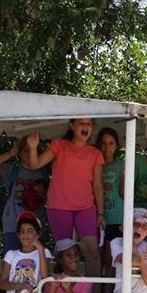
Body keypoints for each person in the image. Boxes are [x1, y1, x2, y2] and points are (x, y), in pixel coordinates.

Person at [25, 119, 104, 279]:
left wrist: (101, 214)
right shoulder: (59, 145)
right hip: (59, 206)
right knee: (64, 252)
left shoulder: (95, 153)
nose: (85, 127)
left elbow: (97, 185)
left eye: (88, 124)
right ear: (72, 126)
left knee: (92, 250)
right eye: (81, 123)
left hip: (85, 207)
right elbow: (35, 164)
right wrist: (33, 148)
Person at [0, 136, 48, 253]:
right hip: (13, 225)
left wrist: (44, 193)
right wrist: (10, 153)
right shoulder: (12, 170)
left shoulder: (43, 174)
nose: (29, 153)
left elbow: (50, 202)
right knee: (11, 261)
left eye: (32, 150)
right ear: (19, 153)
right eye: (26, 150)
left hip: (36, 227)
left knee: (35, 263)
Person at [97, 127, 125, 268]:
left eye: (111, 143)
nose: (107, 147)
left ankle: (108, 290)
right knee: (97, 257)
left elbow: (124, 193)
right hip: (97, 218)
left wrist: (123, 179)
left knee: (111, 258)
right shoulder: (94, 164)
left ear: (117, 145)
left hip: (116, 218)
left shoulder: (122, 165)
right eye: (103, 143)